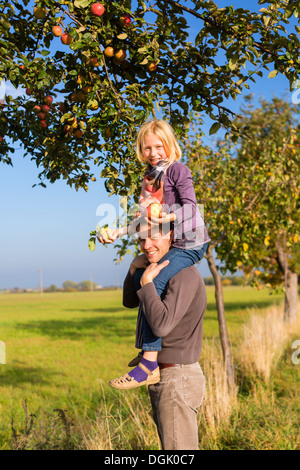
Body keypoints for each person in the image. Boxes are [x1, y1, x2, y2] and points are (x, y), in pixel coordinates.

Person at [98, 119, 210, 388]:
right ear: (140, 150)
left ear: (169, 145)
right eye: (147, 148)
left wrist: (164, 218)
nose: (153, 152)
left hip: (190, 243)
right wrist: (118, 232)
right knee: (140, 281)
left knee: (154, 281)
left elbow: (192, 209)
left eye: (158, 146)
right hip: (169, 239)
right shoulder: (149, 178)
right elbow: (146, 222)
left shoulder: (177, 171)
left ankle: (149, 364)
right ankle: (146, 349)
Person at [111, 221, 207, 450]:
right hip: (164, 374)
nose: (146, 245)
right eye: (142, 239)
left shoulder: (183, 274)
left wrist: (146, 284)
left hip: (177, 377)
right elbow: (129, 301)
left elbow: (162, 326)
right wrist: (134, 271)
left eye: (153, 237)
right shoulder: (159, 271)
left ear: (171, 235)